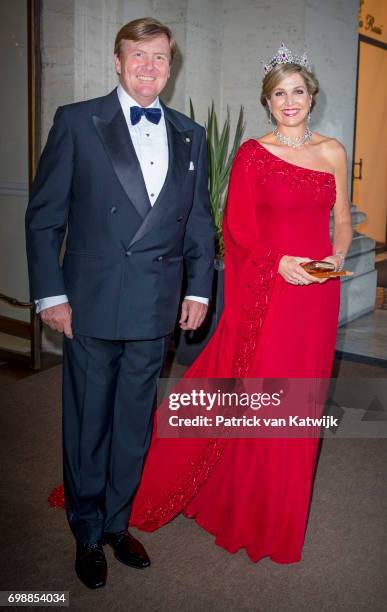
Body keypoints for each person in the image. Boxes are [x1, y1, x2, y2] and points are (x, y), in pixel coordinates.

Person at [50, 42, 353, 564]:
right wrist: (279, 263)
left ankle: (278, 511)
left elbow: (342, 219)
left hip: (318, 295)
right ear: (267, 100)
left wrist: (336, 257)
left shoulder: (333, 151)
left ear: (312, 97)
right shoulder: (252, 153)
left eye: (297, 91)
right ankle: (238, 502)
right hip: (272, 291)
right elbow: (234, 231)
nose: (289, 101)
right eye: (278, 93)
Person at [26, 17, 214, 589]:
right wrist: (50, 293)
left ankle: (114, 521)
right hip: (90, 301)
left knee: (134, 420)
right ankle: (85, 529)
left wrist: (199, 287)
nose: (150, 68)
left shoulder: (191, 133)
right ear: (117, 60)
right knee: (88, 419)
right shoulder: (78, 121)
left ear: (170, 65)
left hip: (156, 303)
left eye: (160, 58)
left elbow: (198, 221)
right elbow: (44, 217)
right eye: (139, 56)